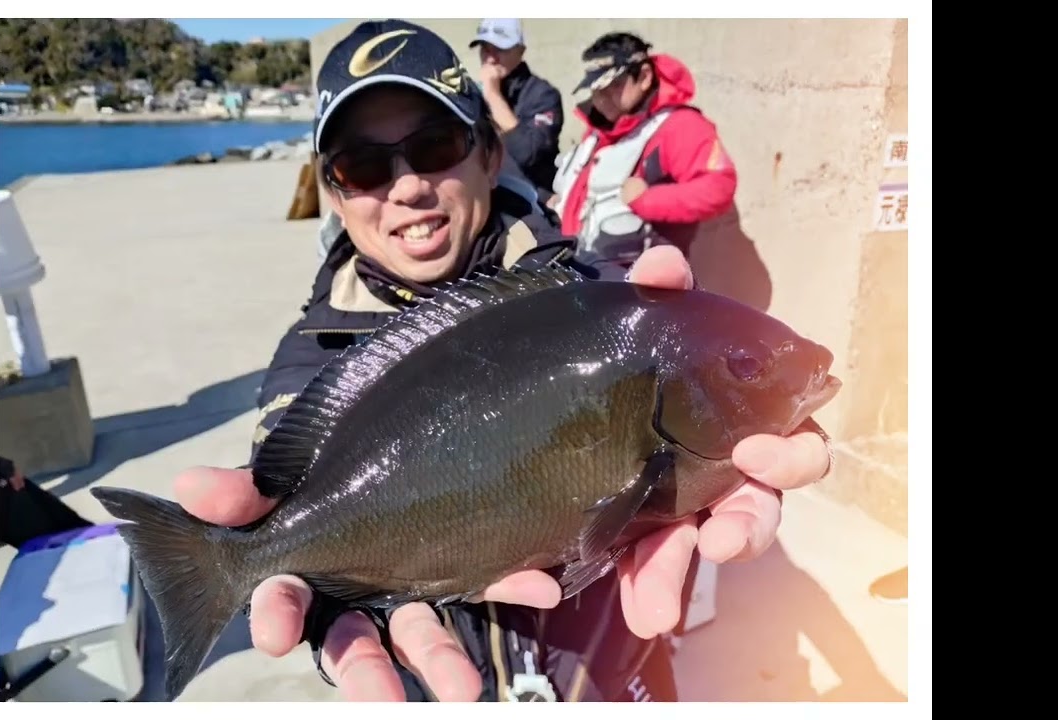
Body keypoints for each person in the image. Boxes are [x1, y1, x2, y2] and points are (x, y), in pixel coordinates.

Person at [176, 19, 833, 702]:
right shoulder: (310, 360)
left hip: (612, 681)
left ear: (490, 153)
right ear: (334, 195)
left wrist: (769, 429)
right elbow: (286, 477)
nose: (406, 188)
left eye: (433, 147)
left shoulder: (601, 289)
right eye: (363, 166)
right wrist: (295, 574)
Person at [549, 32, 738, 272]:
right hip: (582, 275)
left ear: (645, 77)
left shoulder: (680, 126)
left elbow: (719, 187)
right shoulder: (601, 128)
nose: (600, 97)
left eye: (613, 85)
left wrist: (648, 200)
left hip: (638, 287)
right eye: (596, 88)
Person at [469, 19, 565, 206]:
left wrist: (493, 96)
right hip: (489, 198)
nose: (490, 58)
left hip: (534, 203)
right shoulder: (473, 94)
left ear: (520, 51)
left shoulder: (543, 95)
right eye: (485, 49)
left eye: (499, 49)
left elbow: (527, 152)